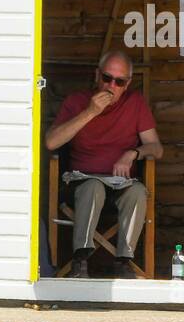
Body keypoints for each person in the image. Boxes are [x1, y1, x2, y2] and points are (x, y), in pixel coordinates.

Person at [45, 50, 163, 279]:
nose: (111, 86)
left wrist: (133, 153)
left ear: (127, 84)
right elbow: (51, 142)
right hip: (82, 181)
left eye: (119, 82)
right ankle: (80, 261)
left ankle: (123, 261)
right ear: (97, 75)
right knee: (93, 187)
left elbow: (156, 148)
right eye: (107, 78)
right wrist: (90, 112)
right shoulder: (77, 101)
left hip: (121, 183)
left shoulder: (135, 103)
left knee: (138, 191)